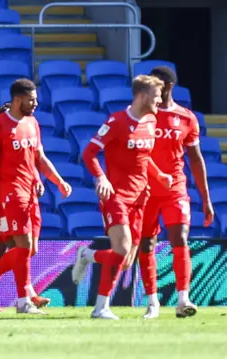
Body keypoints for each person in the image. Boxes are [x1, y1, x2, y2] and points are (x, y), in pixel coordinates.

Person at [71, 75, 173, 320]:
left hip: (141, 196)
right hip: (116, 195)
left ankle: (93, 278)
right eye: (157, 95)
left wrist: (159, 177)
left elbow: (143, 157)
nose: (160, 100)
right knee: (123, 249)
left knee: (125, 261)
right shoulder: (116, 121)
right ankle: (95, 289)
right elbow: (89, 153)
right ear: (141, 96)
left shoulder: (151, 120)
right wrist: (101, 177)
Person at [0, 80, 70, 315]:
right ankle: (23, 301)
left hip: (30, 193)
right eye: (31, 100)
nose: (35, 104)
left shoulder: (32, 123)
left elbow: (40, 157)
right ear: (18, 100)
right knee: (23, 246)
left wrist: (59, 181)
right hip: (10, 193)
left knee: (30, 248)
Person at [138, 66, 214, 319]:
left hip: (175, 189)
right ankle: (152, 302)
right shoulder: (142, 115)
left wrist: (206, 198)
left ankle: (183, 299)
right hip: (145, 189)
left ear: (168, 86)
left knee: (179, 237)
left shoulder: (186, 118)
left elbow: (195, 159)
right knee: (147, 243)